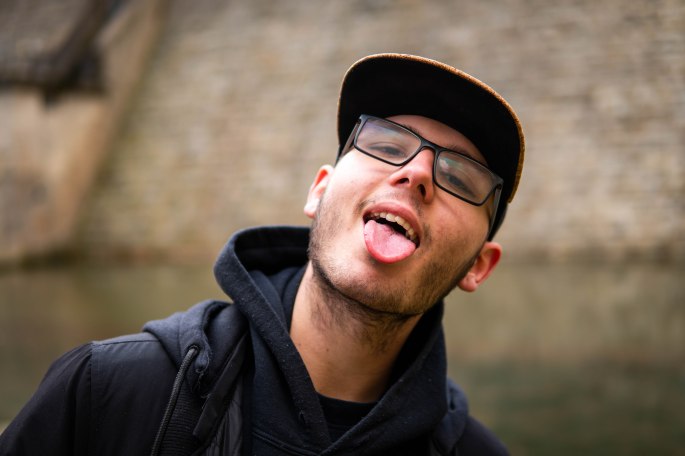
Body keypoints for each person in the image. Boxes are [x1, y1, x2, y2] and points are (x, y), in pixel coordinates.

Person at [0, 53, 524, 455]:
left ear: (479, 266)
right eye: (386, 146)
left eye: (460, 178)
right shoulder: (105, 393)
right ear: (319, 191)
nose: (416, 173)